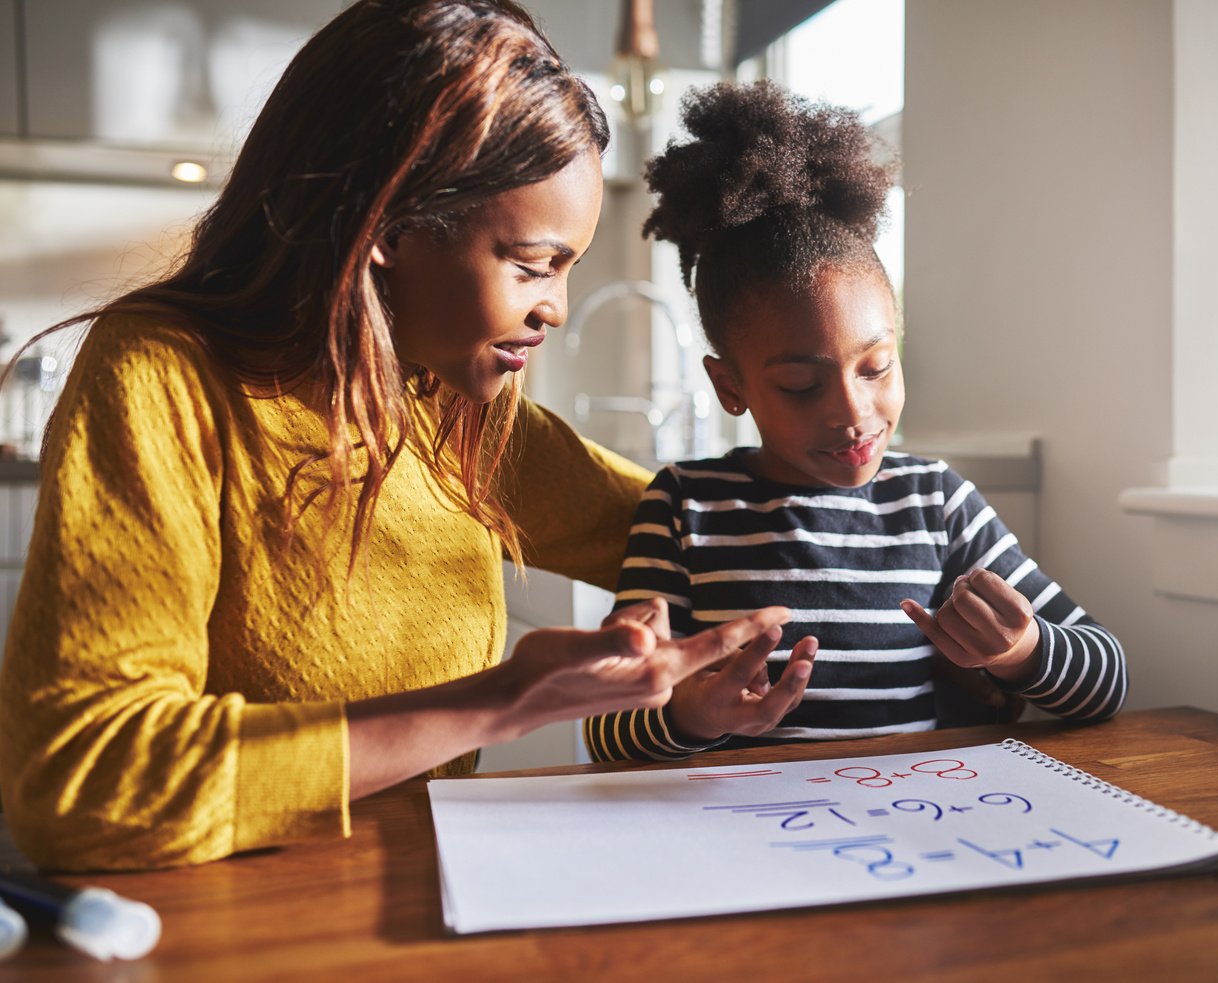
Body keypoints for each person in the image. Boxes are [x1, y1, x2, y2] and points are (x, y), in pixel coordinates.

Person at [0, 0, 794, 872]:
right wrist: (502, 700)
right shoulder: (161, 374)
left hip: (428, 897)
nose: (555, 309)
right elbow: (80, 783)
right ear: (388, 224)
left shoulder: (456, 404)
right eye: (532, 264)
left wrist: (944, 585)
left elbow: (705, 538)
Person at [583, 81, 1127, 763]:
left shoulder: (934, 501)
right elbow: (604, 726)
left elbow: (1108, 677)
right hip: (737, 840)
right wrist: (687, 715)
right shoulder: (683, 506)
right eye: (801, 385)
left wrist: (1024, 651)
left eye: (876, 367)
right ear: (730, 386)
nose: (851, 411)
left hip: (906, 832)